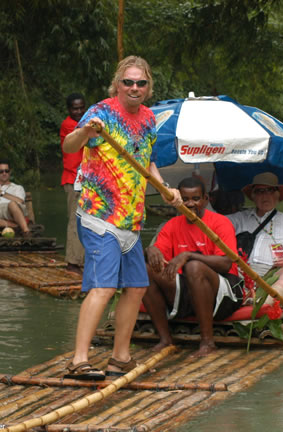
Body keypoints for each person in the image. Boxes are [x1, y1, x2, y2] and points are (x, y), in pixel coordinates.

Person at [62, 55, 182, 380]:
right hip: (100, 217)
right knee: (102, 287)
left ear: (148, 87)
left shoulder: (148, 120)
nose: (134, 87)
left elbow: (149, 163)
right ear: (117, 84)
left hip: (131, 220)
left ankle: (120, 357)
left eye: (140, 83)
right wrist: (86, 130)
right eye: (128, 82)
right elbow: (69, 146)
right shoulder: (100, 112)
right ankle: (79, 360)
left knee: (137, 286)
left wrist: (167, 189)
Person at [144, 177, 243, 357]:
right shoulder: (172, 225)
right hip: (188, 291)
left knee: (194, 266)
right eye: (185, 199)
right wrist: (150, 250)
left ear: (205, 199)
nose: (190, 204)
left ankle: (207, 342)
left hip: (224, 294)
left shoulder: (220, 223)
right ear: (178, 200)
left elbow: (226, 263)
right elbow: (159, 254)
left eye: (195, 199)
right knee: (146, 269)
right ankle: (165, 339)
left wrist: (187, 255)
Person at [227, 172, 283, 304]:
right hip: (241, 272)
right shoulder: (238, 219)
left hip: (274, 275)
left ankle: (265, 302)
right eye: (260, 191)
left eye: (270, 190)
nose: (265, 196)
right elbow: (212, 224)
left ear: (277, 195)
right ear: (253, 196)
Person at [60, 93, 87, 274]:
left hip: (85, 179)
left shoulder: (84, 123)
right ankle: (72, 262)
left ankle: (81, 260)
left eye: (80, 108)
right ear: (69, 110)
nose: (78, 111)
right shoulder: (70, 125)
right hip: (73, 179)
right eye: (74, 108)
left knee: (86, 220)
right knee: (75, 220)